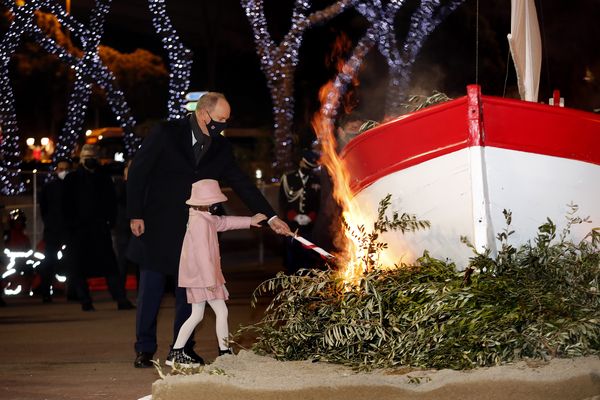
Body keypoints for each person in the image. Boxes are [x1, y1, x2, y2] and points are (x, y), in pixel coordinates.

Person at [127, 91, 291, 368]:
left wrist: (272, 217)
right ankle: (144, 348)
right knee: (151, 290)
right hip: (157, 224)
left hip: (196, 231)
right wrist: (135, 214)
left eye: (227, 119)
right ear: (203, 114)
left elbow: (243, 185)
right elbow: (139, 172)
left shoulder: (221, 148)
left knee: (190, 294)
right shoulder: (166, 133)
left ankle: (183, 348)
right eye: (220, 119)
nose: (224, 124)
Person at [166, 179, 266, 366]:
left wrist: (250, 221)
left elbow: (223, 222)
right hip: (203, 278)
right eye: (213, 201)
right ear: (204, 202)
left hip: (200, 277)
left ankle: (183, 352)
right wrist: (210, 280)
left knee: (202, 314)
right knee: (214, 312)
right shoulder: (201, 222)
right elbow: (203, 254)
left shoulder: (201, 217)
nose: (215, 204)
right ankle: (219, 351)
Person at [63, 144, 135, 311]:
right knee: (80, 267)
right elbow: (66, 205)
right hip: (79, 230)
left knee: (109, 266)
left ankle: (120, 298)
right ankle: (86, 300)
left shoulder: (103, 179)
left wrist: (109, 221)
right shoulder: (72, 179)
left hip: (99, 228)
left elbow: (111, 203)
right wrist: (71, 225)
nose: (91, 161)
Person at [278, 150, 322, 273]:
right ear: (301, 162)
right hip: (291, 226)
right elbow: (283, 202)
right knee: (292, 259)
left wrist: (311, 217)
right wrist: (294, 216)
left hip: (309, 227)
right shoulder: (288, 178)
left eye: (311, 167)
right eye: (307, 165)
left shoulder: (316, 180)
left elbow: (318, 203)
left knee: (308, 259)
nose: (308, 168)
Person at [38, 158, 72, 303]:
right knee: (49, 261)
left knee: (71, 260)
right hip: (54, 229)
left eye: (65, 168)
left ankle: (73, 291)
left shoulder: (73, 186)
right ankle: (46, 291)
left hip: (68, 228)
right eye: (60, 168)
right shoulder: (50, 187)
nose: (62, 171)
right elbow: (43, 207)